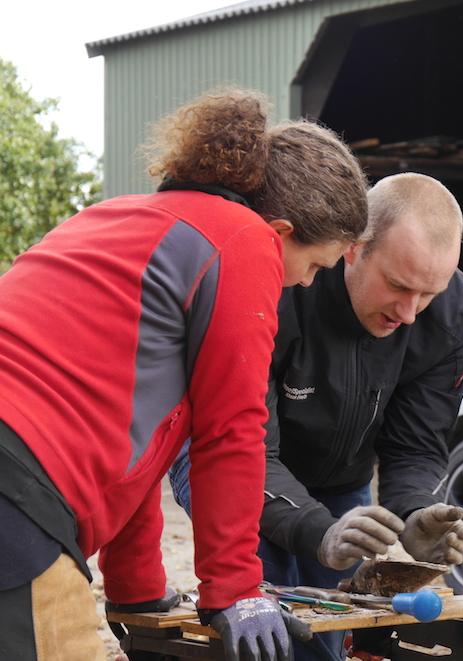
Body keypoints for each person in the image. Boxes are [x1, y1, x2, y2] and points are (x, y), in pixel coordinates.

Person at [0, 87, 370, 661]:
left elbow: (134, 445)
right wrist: (236, 593)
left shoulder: (120, 218)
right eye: (315, 266)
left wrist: (137, 592)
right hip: (16, 488)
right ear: (280, 231)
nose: (304, 284)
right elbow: (232, 432)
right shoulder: (243, 241)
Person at [171, 171, 463, 661]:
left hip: (340, 481)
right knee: (268, 633)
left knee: (327, 635)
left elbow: (416, 442)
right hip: (227, 459)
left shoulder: (453, 312)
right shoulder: (281, 285)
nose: (410, 313)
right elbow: (240, 445)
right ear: (353, 247)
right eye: (398, 286)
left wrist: (414, 511)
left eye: (429, 293)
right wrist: (318, 530)